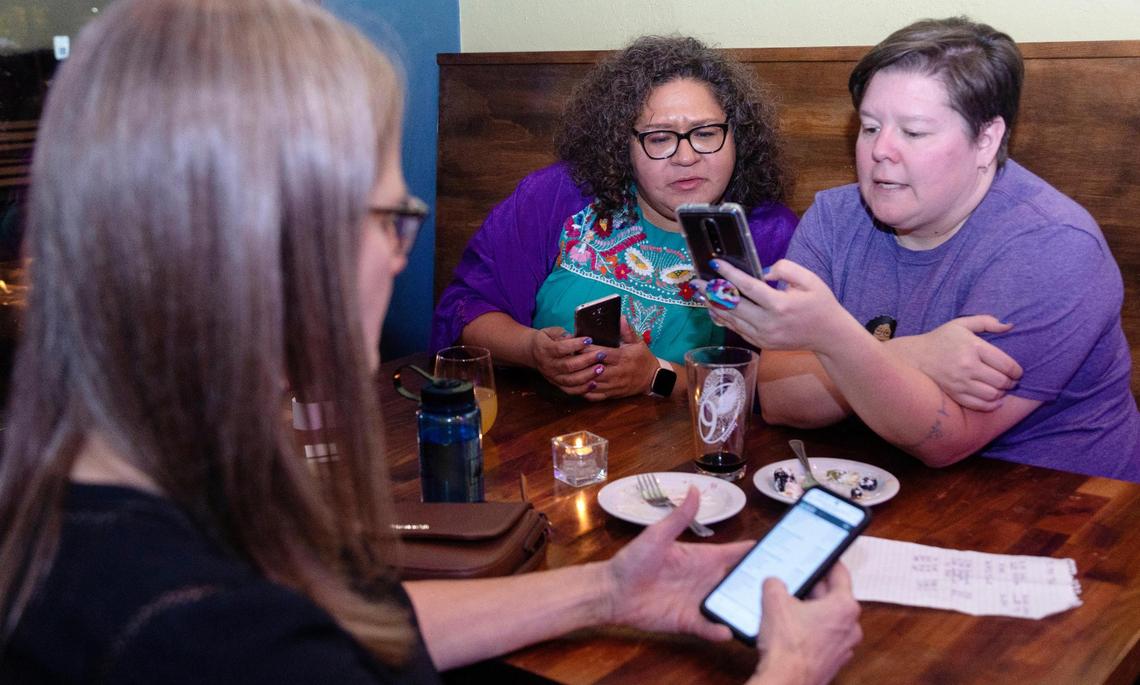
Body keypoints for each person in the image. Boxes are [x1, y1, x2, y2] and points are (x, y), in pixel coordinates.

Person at [0, 1, 862, 683]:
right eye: (387, 217)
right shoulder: (191, 624)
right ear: (258, 240)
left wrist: (606, 588)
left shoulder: (101, 502)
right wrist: (789, 668)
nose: (398, 253)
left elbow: (336, 623)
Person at [703, 17, 1140, 481]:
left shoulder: (1052, 246)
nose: (881, 151)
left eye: (913, 132)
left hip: (1061, 507)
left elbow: (945, 439)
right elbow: (780, 399)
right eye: (870, 128)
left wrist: (832, 338)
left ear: (986, 139)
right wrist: (915, 354)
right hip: (888, 483)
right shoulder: (835, 216)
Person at [430, 35, 796, 401]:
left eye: (705, 133)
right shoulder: (558, 195)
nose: (685, 157)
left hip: (685, 448)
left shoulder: (770, 236)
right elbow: (467, 308)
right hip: (541, 434)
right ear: (622, 144)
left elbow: (775, 393)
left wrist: (657, 375)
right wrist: (532, 350)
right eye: (658, 138)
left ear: (737, 136)